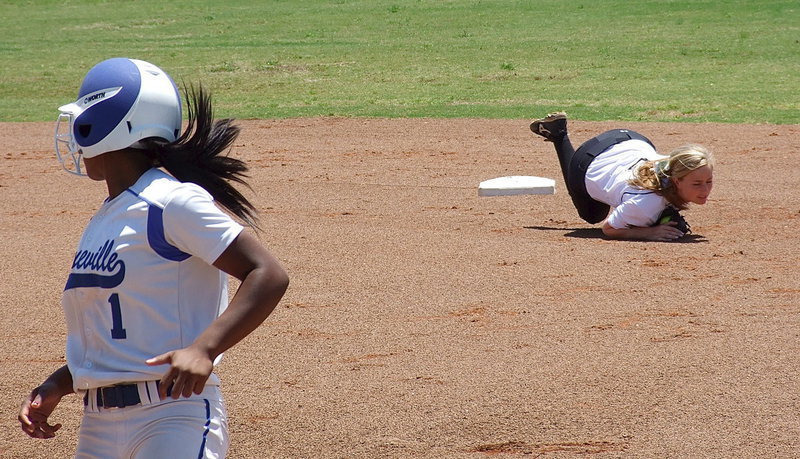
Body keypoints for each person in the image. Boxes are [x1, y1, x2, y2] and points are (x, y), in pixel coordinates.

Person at [18, 57, 289, 457]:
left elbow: (267, 272)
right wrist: (58, 383)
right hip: (97, 426)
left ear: (108, 123)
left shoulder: (170, 202)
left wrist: (205, 348)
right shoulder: (108, 216)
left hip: (172, 415)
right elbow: (120, 335)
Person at [530, 112, 714, 241]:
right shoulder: (646, 205)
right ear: (676, 180)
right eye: (697, 184)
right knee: (593, 215)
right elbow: (609, 228)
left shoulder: (676, 164)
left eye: (709, 181)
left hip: (631, 139)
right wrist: (647, 232)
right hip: (587, 159)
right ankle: (559, 134)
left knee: (652, 208)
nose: (705, 189)